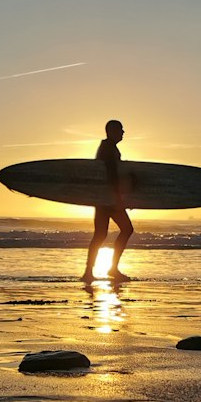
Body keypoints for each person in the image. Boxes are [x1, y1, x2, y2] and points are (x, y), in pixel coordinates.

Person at [83, 119, 133, 283]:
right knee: (126, 229)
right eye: (120, 129)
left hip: (102, 198)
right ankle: (111, 269)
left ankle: (89, 272)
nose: (123, 132)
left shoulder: (107, 147)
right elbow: (111, 175)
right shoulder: (108, 149)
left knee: (100, 234)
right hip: (109, 199)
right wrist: (119, 198)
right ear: (112, 131)